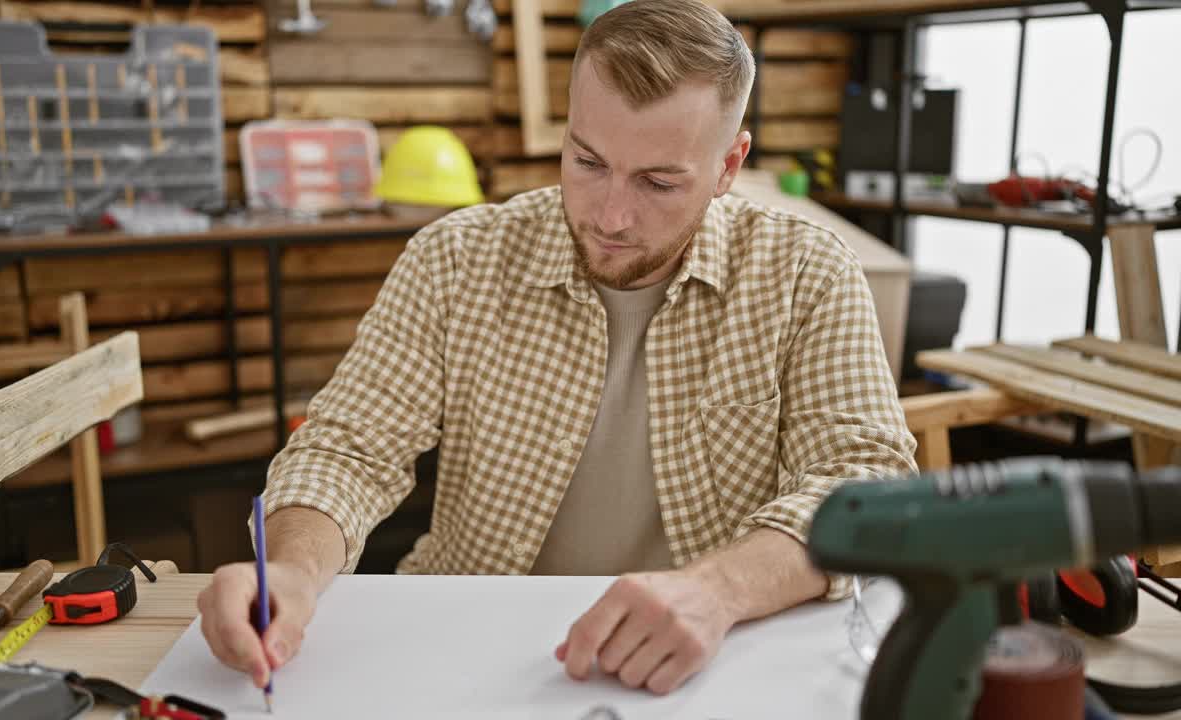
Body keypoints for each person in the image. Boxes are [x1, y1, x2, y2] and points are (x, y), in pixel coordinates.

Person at [197, 0, 916, 698]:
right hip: (466, 641)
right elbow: (349, 449)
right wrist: (292, 569)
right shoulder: (456, 259)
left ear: (729, 165)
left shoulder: (806, 274)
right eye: (588, 160)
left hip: (713, 656)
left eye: (660, 182)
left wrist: (719, 590)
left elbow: (865, 485)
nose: (611, 216)